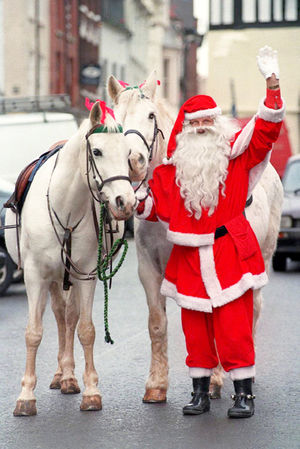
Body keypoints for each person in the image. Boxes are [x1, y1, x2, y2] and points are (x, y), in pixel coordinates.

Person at [135, 46, 285, 418]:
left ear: (216, 126)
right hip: (188, 260)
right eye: (194, 124)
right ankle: (200, 392)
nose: (200, 129)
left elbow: (266, 130)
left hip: (229, 253)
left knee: (234, 328)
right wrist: (131, 200)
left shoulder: (237, 159)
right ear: (184, 131)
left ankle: (244, 394)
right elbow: (156, 208)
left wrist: (272, 83)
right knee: (196, 332)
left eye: (206, 123)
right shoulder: (172, 173)